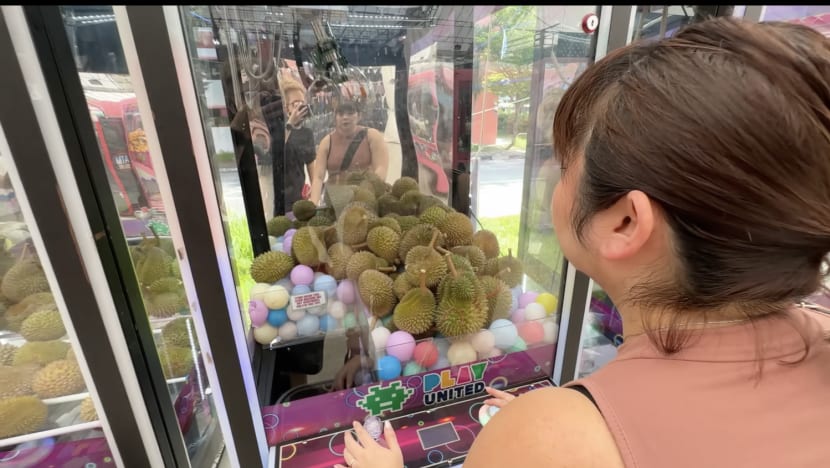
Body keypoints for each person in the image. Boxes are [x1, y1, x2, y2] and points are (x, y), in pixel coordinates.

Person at [335, 17, 830, 468]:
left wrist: (539, 435)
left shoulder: (544, 442)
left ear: (624, 223)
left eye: (568, 161)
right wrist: (564, 415)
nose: (553, 172)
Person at [308, 101, 390, 206]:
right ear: (335, 117)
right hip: (334, 201)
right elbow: (318, 177)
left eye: (350, 113)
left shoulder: (372, 136)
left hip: (365, 199)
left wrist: (368, 192)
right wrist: (313, 204)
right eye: (341, 114)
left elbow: (381, 168)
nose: (345, 117)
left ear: (359, 115)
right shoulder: (326, 142)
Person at [261, 77, 316, 217]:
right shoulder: (274, 132)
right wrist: (290, 124)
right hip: (278, 203)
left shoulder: (306, 133)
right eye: (295, 104)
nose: (300, 108)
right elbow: (274, 153)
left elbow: (313, 170)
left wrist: (314, 194)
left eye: (302, 103)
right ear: (285, 108)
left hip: (298, 203)